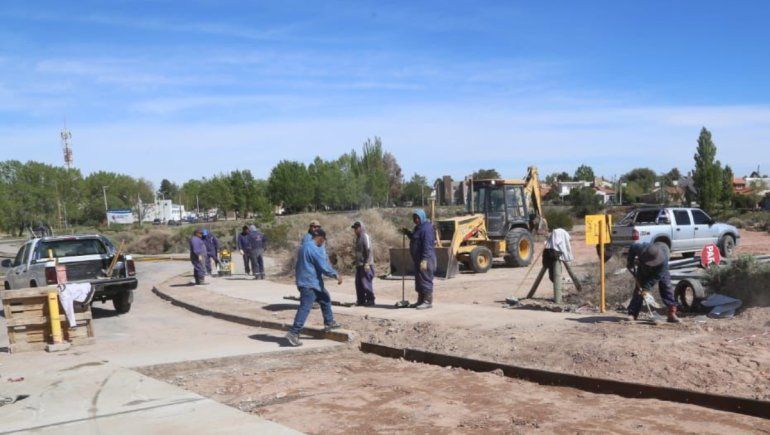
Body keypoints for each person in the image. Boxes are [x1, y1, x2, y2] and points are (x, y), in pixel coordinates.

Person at [285, 229, 342, 346]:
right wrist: (335, 274)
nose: (323, 243)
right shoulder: (313, 249)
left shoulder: (304, 246)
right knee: (305, 307)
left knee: (325, 298)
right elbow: (323, 266)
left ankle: (329, 322)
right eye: (323, 241)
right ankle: (293, 332)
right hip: (309, 283)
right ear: (321, 238)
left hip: (310, 281)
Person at [627, 242, 680, 323]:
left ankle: (671, 313)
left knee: (667, 287)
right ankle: (632, 314)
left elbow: (656, 277)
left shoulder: (663, 262)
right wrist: (630, 262)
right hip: (643, 268)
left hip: (659, 271)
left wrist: (646, 288)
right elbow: (632, 247)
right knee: (639, 290)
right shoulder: (641, 248)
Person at [401, 209, 436, 309]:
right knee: (419, 280)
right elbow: (415, 239)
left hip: (426, 259)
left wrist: (424, 259)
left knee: (425, 279)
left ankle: (427, 301)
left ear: (422, 217)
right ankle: (420, 300)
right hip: (418, 260)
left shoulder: (427, 228)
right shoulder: (418, 228)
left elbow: (427, 245)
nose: (415, 220)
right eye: (414, 218)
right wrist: (408, 233)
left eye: (417, 218)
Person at [352, 221, 375, 306]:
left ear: (361, 227)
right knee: (358, 283)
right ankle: (361, 300)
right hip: (359, 264)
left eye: (357, 228)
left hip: (366, 265)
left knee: (366, 283)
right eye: (354, 228)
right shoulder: (357, 238)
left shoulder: (365, 236)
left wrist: (367, 263)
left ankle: (370, 300)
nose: (355, 230)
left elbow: (368, 250)